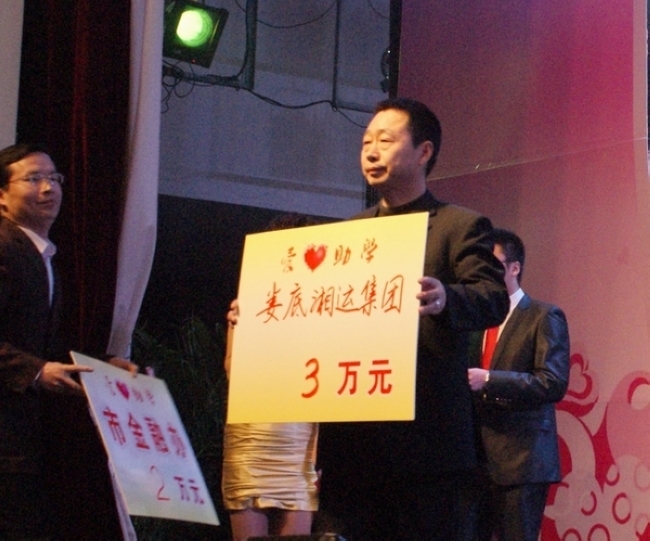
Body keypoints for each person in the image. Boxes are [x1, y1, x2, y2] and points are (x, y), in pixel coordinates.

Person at [315, 97, 510, 540]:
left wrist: (447, 298)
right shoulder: (348, 235)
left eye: (385, 141)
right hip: (355, 444)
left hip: (426, 445)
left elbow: (492, 298)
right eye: (366, 142)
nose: (371, 151)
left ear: (424, 152)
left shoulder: (458, 226)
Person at [0, 143, 137, 539]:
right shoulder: (5, 247)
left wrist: (102, 364)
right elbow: (36, 359)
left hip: (22, 440)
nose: (49, 188)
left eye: (54, 178)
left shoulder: (39, 255)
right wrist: (36, 371)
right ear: (2, 196)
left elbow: (41, 344)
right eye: (33, 179)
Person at [467, 228, 570, 540]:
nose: (484, 272)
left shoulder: (543, 316)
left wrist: (489, 380)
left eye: (493, 264)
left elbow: (551, 382)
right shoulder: (474, 319)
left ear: (514, 268)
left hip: (521, 460)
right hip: (475, 461)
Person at [223, 214, 320, 541]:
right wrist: (241, 326)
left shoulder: (325, 312)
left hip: (299, 439)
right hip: (251, 435)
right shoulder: (250, 305)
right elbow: (232, 370)